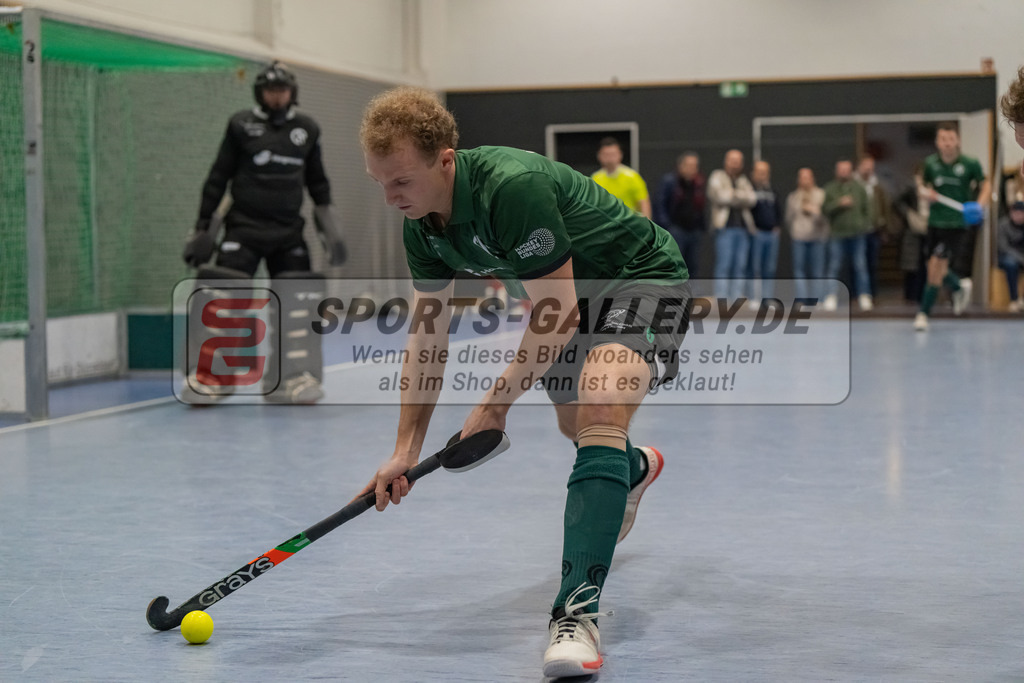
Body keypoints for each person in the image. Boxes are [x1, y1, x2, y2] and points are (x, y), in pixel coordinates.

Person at [356, 87, 690, 678]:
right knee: (579, 428)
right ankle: (631, 469)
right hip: (564, 301)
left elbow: (556, 315)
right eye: (379, 182)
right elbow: (426, 336)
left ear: (446, 158)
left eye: (401, 180)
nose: (390, 198)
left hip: (639, 278)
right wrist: (405, 449)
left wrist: (493, 405)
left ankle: (575, 613)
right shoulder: (421, 226)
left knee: (601, 407)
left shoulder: (511, 186)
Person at [181, 61, 347, 402]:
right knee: (219, 299)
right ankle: (211, 378)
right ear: (260, 92)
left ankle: (293, 379)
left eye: (282, 91)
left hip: (288, 233)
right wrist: (202, 229)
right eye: (271, 91)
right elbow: (217, 179)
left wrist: (332, 232)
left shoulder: (307, 129)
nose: (277, 97)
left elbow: (318, 184)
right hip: (242, 229)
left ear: (292, 93)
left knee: (298, 304)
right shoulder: (240, 125)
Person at [913, 121, 989, 331]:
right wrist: (924, 193)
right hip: (935, 222)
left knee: (935, 266)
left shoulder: (970, 163)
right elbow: (922, 187)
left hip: (956, 223)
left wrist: (979, 205)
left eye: (951, 139)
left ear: (958, 141)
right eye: (943, 139)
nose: (947, 143)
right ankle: (958, 285)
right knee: (934, 267)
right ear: (937, 142)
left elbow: (986, 183)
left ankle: (923, 314)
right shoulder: (930, 164)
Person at [822, 159, 872, 311]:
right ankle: (831, 296)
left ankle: (864, 295)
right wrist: (839, 204)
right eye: (841, 169)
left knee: (860, 265)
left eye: (846, 169)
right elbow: (824, 209)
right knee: (834, 265)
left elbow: (867, 210)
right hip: (837, 234)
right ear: (836, 171)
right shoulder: (830, 189)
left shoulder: (859, 188)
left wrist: (863, 225)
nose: (844, 172)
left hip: (857, 234)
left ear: (851, 171)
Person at [708, 149, 757, 301]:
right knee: (724, 264)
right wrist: (739, 196)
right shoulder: (717, 176)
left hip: (742, 229)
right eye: (732, 160)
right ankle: (721, 298)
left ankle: (736, 299)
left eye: (738, 161)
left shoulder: (743, 180)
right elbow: (719, 196)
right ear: (726, 161)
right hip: (725, 229)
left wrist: (732, 194)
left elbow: (752, 199)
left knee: (740, 266)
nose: (735, 164)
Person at [655, 152, 707, 276]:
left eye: (695, 166)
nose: (692, 169)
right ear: (680, 166)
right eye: (688, 165)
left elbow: (701, 206)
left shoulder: (698, 183)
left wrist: (701, 226)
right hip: (676, 230)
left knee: (692, 265)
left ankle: (691, 294)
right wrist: (667, 227)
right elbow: (660, 204)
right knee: (675, 264)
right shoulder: (669, 181)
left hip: (694, 230)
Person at [785, 167, 827, 304]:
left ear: (812, 178)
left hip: (817, 238)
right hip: (799, 238)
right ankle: (802, 300)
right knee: (799, 271)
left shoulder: (821, 195)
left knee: (817, 271)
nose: (804, 180)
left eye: (807, 177)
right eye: (802, 177)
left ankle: (817, 300)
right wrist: (794, 232)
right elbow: (788, 218)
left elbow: (826, 219)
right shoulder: (793, 197)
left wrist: (815, 212)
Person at [854, 155, 892, 299]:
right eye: (866, 167)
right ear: (859, 167)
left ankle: (872, 293)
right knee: (858, 264)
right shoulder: (853, 185)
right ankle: (858, 293)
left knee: (872, 263)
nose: (868, 170)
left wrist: (884, 228)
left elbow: (884, 208)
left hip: (874, 230)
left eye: (871, 167)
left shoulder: (878, 187)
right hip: (857, 231)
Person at [590, 137, 652, 218]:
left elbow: (643, 204)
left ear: (620, 155)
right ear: (599, 156)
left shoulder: (632, 177)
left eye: (613, 154)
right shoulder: (595, 178)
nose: (610, 158)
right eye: (606, 154)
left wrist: (646, 226)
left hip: (629, 224)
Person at [749, 160, 782, 306]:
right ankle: (754, 297)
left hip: (771, 235)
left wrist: (777, 227)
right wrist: (752, 228)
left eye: (765, 172)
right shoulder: (749, 190)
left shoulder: (772, 191)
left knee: (769, 269)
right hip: (757, 234)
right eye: (759, 172)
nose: (762, 175)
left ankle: (766, 299)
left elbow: (778, 210)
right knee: (754, 267)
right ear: (753, 173)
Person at [997, 201, 1024, 311]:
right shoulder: (1003, 225)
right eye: (1015, 212)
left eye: (1021, 213)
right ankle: (1014, 299)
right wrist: (1021, 259)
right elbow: (1003, 247)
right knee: (1011, 264)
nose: (1018, 215)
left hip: (1022, 257)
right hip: (1008, 257)